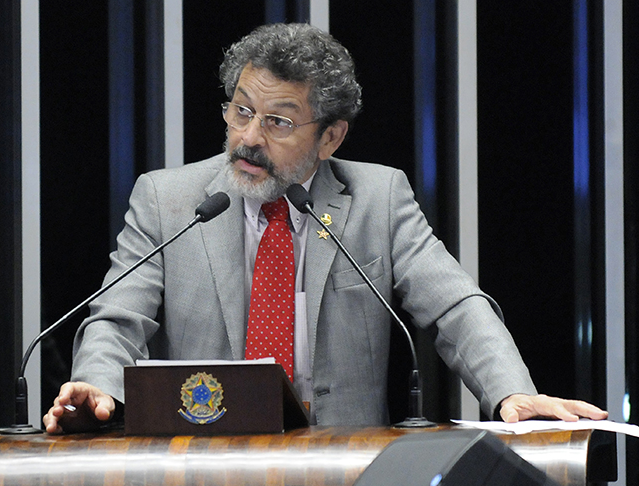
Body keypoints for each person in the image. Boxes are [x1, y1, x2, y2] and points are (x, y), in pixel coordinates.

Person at [43, 23, 606, 434]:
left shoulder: (377, 198)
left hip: (343, 473)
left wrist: (512, 391)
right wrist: (99, 387)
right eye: (241, 111)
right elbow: (118, 317)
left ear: (330, 138)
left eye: (278, 122)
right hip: (201, 466)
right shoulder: (169, 200)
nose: (249, 138)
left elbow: (455, 305)